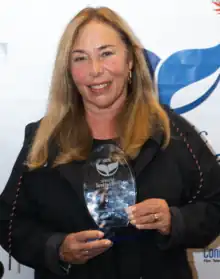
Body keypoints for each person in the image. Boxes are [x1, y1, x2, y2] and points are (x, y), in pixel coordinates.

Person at [0, 6, 220, 279]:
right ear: (68, 71)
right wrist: (56, 249)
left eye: (106, 53)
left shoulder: (171, 132)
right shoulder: (43, 138)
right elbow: (9, 223)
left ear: (130, 60)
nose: (95, 70)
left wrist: (174, 221)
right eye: (80, 58)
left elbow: (214, 206)